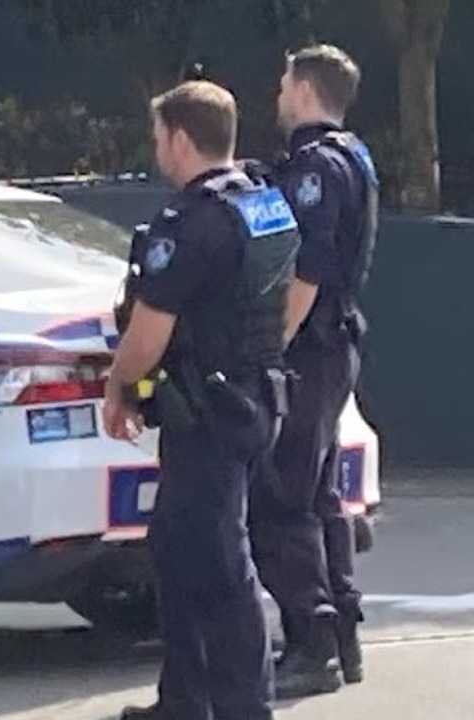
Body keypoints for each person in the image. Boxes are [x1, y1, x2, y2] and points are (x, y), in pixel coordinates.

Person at [104, 80, 299, 720]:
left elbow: (147, 335)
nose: (157, 148)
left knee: (220, 561)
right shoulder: (264, 202)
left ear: (182, 139)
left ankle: (245, 705)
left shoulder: (188, 224)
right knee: (178, 547)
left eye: (160, 136)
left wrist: (118, 386)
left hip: (209, 411)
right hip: (250, 396)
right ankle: (183, 700)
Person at [249, 43, 377, 699]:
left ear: (303, 89)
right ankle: (342, 637)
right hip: (335, 346)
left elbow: (308, 268)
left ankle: (311, 644)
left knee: (280, 501)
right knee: (322, 496)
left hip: (309, 350)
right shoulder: (352, 155)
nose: (276, 95)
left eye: (281, 83)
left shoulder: (314, 168)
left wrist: (273, 343)